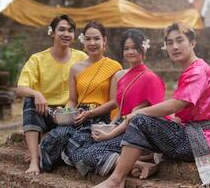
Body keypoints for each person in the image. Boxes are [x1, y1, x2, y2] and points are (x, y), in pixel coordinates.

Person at [93, 21, 210, 188]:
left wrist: (138, 113)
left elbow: (174, 106)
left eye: (180, 41)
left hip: (206, 140)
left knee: (140, 120)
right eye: (170, 43)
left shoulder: (197, 71)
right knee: (146, 122)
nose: (174, 47)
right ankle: (141, 167)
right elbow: (182, 114)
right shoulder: (191, 69)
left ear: (192, 43)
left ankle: (116, 180)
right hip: (197, 134)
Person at [73, 29, 172, 177]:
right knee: (81, 145)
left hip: (138, 135)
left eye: (134, 48)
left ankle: (142, 162)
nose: (130, 52)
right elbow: (120, 111)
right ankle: (134, 164)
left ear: (144, 48)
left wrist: (109, 135)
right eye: (126, 48)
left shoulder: (150, 78)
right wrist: (109, 127)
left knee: (90, 154)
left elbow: (135, 117)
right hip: (121, 128)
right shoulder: (123, 77)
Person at [39, 21, 122, 173]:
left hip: (100, 118)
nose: (92, 43)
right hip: (77, 116)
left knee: (77, 142)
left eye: (96, 38)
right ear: (83, 41)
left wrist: (90, 114)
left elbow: (114, 102)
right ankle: (51, 159)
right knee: (56, 136)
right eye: (88, 39)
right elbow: (72, 100)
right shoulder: (76, 68)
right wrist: (65, 114)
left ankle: (71, 156)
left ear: (104, 40)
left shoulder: (113, 66)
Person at [16, 15, 88, 175]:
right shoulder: (37, 59)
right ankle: (34, 161)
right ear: (52, 33)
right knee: (29, 100)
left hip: (69, 114)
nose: (66, 34)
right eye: (61, 29)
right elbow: (20, 88)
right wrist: (36, 93)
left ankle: (44, 143)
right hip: (45, 112)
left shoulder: (81, 58)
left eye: (70, 30)